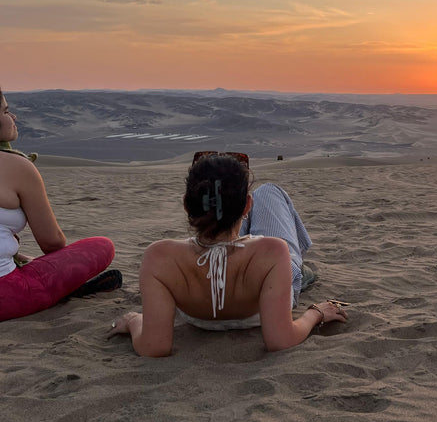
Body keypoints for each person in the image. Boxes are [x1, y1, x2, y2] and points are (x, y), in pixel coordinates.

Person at [109, 152, 346, 356]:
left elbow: (154, 347)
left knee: (220, 231)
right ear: (248, 206)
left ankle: (221, 216)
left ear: (186, 205)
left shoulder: (159, 257)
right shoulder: (274, 251)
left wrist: (134, 321)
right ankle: (299, 271)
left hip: (199, 308)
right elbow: (281, 340)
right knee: (269, 192)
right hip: (268, 277)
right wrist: (315, 314)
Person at [1, 88, 119, 322]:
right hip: (7, 294)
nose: (13, 117)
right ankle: (63, 291)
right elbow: (52, 243)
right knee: (102, 246)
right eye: (5, 111)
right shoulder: (16, 166)